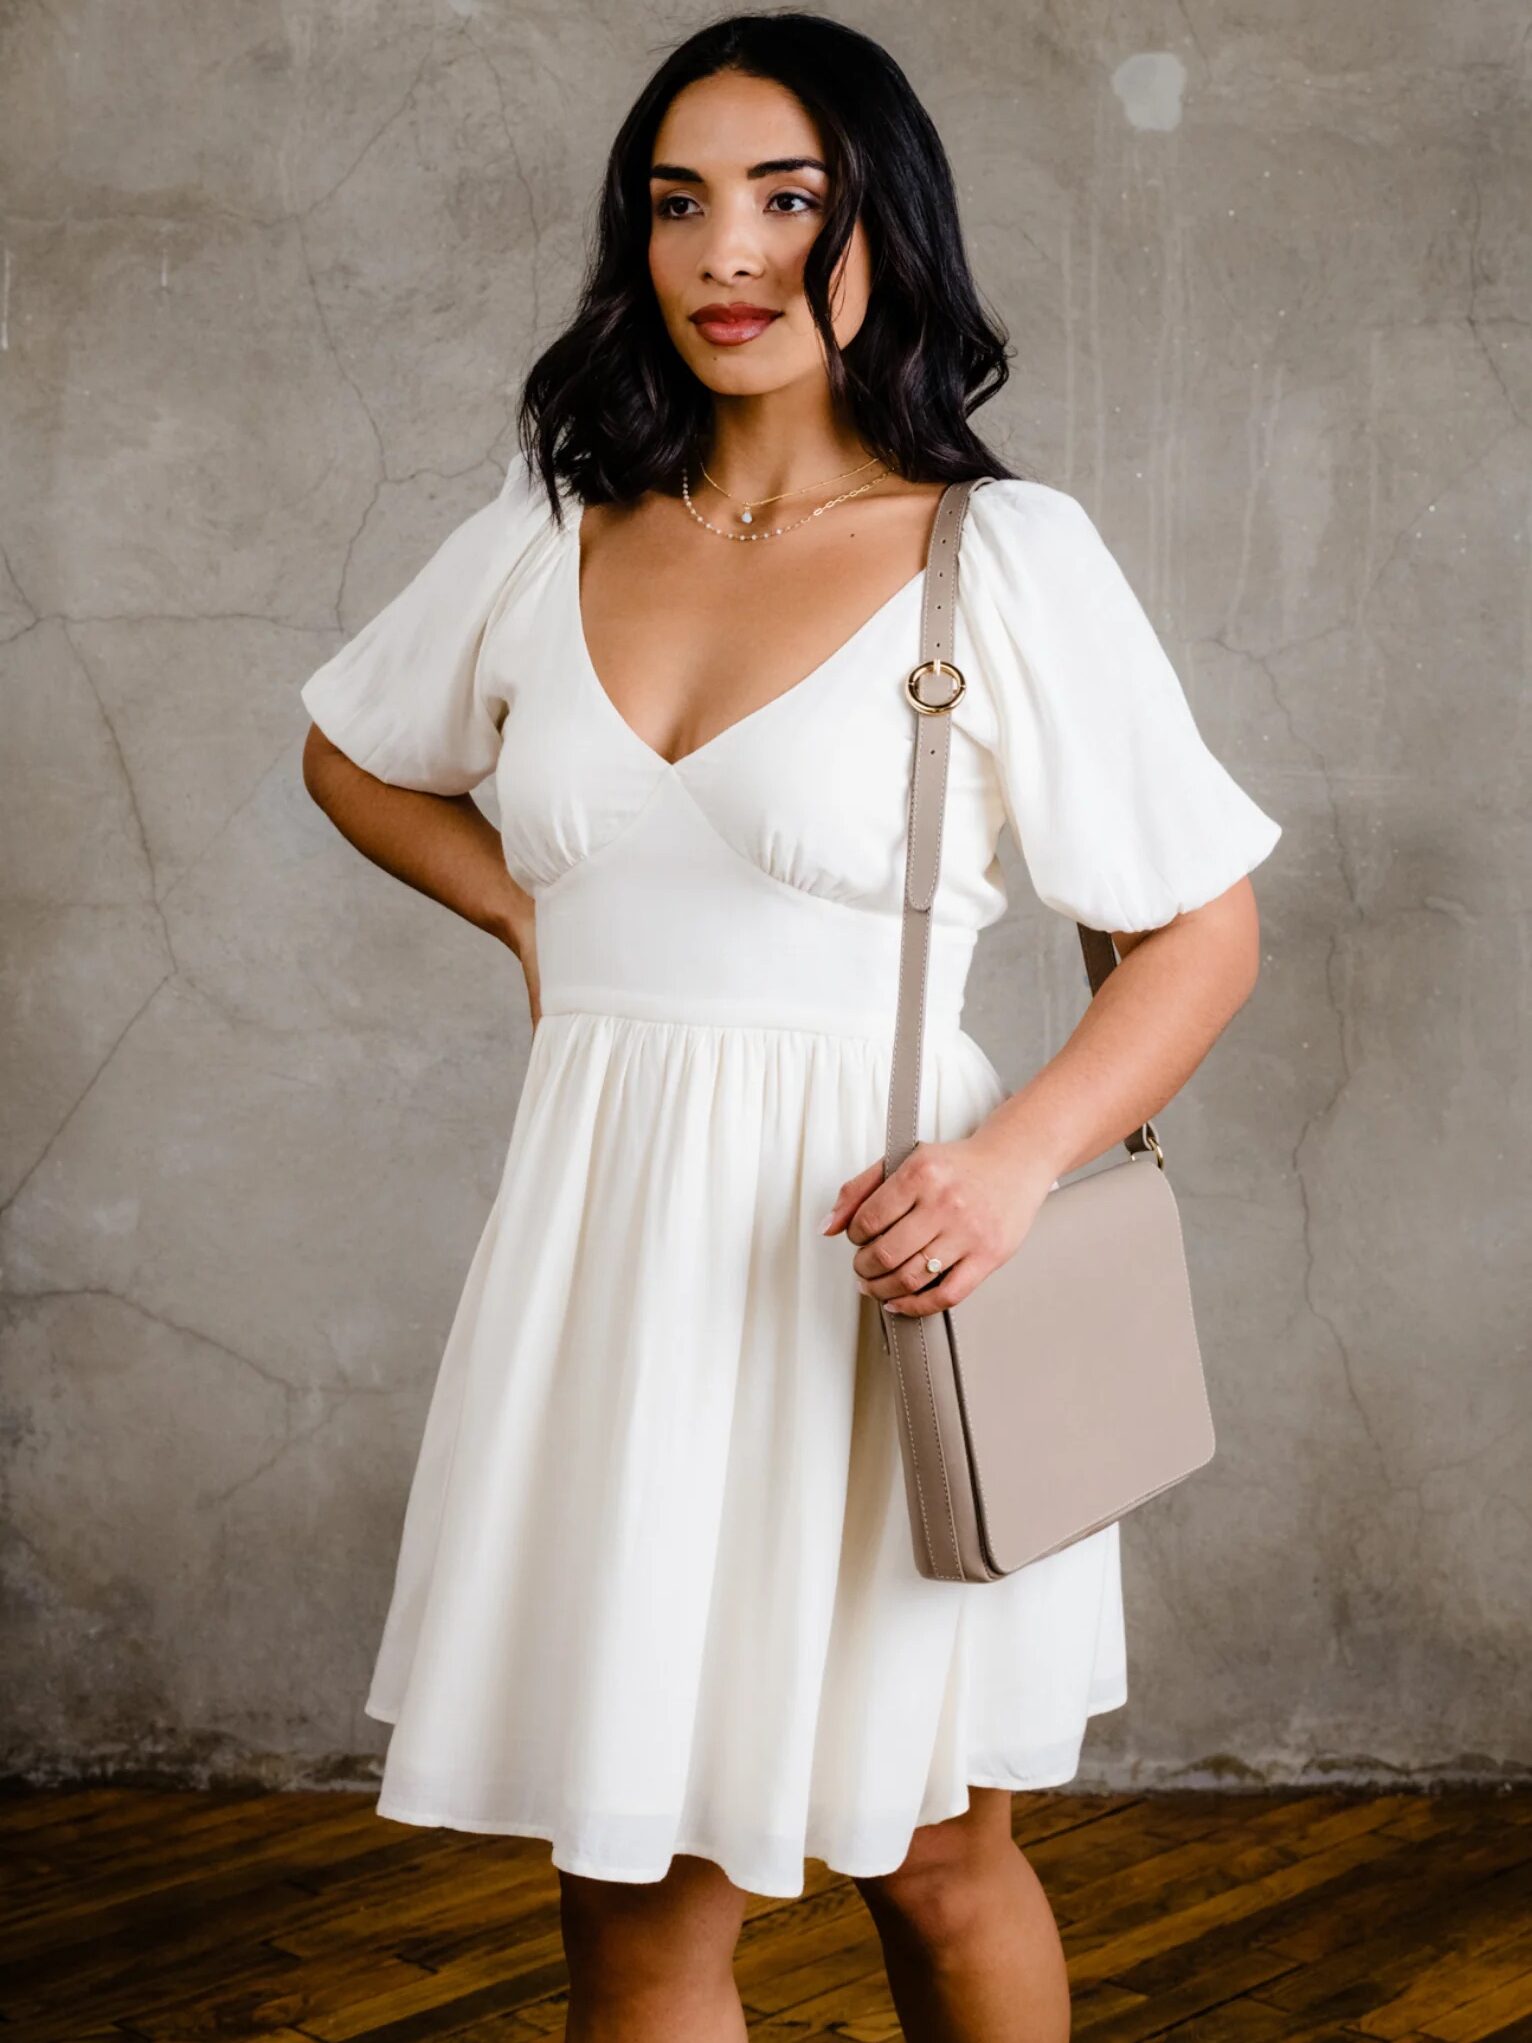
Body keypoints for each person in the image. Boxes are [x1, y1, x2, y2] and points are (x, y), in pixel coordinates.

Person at [298, 13, 1281, 2040]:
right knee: (635, 1904)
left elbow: (1195, 931)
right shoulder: (550, 520)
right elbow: (352, 749)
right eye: (676, 203)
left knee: (936, 1858)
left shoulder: (996, 553)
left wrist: (1012, 1169)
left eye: (785, 199)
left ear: (879, 230)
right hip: (611, 1279)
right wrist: (524, 914)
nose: (722, 252)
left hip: (884, 1267)